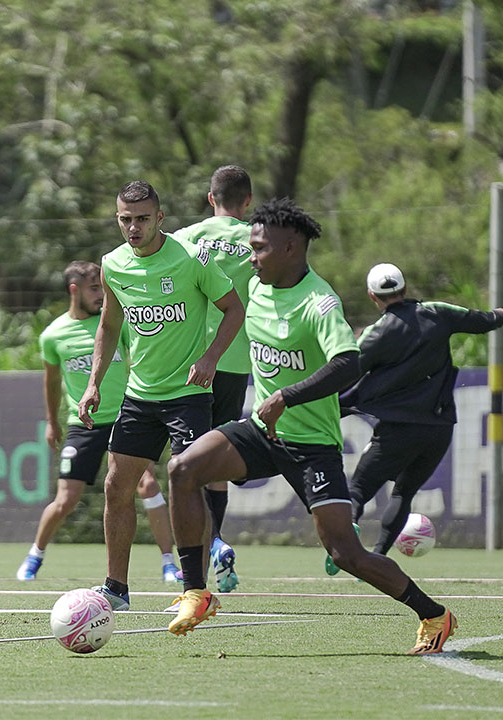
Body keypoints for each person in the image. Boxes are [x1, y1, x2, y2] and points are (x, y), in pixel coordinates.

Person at [166, 198, 457, 655]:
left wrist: (286, 395)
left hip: (310, 446)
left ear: (290, 248)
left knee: (345, 553)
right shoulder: (256, 286)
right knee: (183, 469)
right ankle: (196, 593)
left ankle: (434, 613)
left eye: (259, 248)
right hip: (263, 432)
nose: (250, 255)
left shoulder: (319, 302)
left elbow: (348, 363)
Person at [76, 180, 244, 610]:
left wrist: (210, 358)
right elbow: (109, 325)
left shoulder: (191, 258)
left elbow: (233, 309)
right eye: (125, 220)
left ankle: (195, 590)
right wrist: (94, 382)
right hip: (139, 395)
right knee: (116, 486)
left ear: (160, 218)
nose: (133, 228)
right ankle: (116, 588)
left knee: (186, 484)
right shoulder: (112, 264)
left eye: (142, 219)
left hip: (187, 395)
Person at [15, 261, 182, 584]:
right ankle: (35, 555)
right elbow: (51, 383)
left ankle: (168, 563)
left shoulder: (113, 323)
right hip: (83, 424)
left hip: (125, 417)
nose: (101, 296)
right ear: (74, 290)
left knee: (147, 485)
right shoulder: (53, 335)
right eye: (95, 289)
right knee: (66, 499)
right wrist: (52, 423)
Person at [335, 262, 503, 565]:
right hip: (439, 429)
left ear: (372, 296)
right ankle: (378, 558)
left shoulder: (375, 334)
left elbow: (346, 371)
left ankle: (345, 550)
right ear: (405, 289)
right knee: (404, 492)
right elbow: (487, 321)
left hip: (397, 430)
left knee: (358, 490)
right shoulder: (437, 313)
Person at [170, 165, 256, 593]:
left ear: (210, 198)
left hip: (189, 362)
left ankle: (203, 553)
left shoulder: (185, 238)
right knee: (215, 457)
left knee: (184, 462)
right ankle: (217, 538)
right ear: (248, 202)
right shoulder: (258, 240)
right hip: (236, 360)